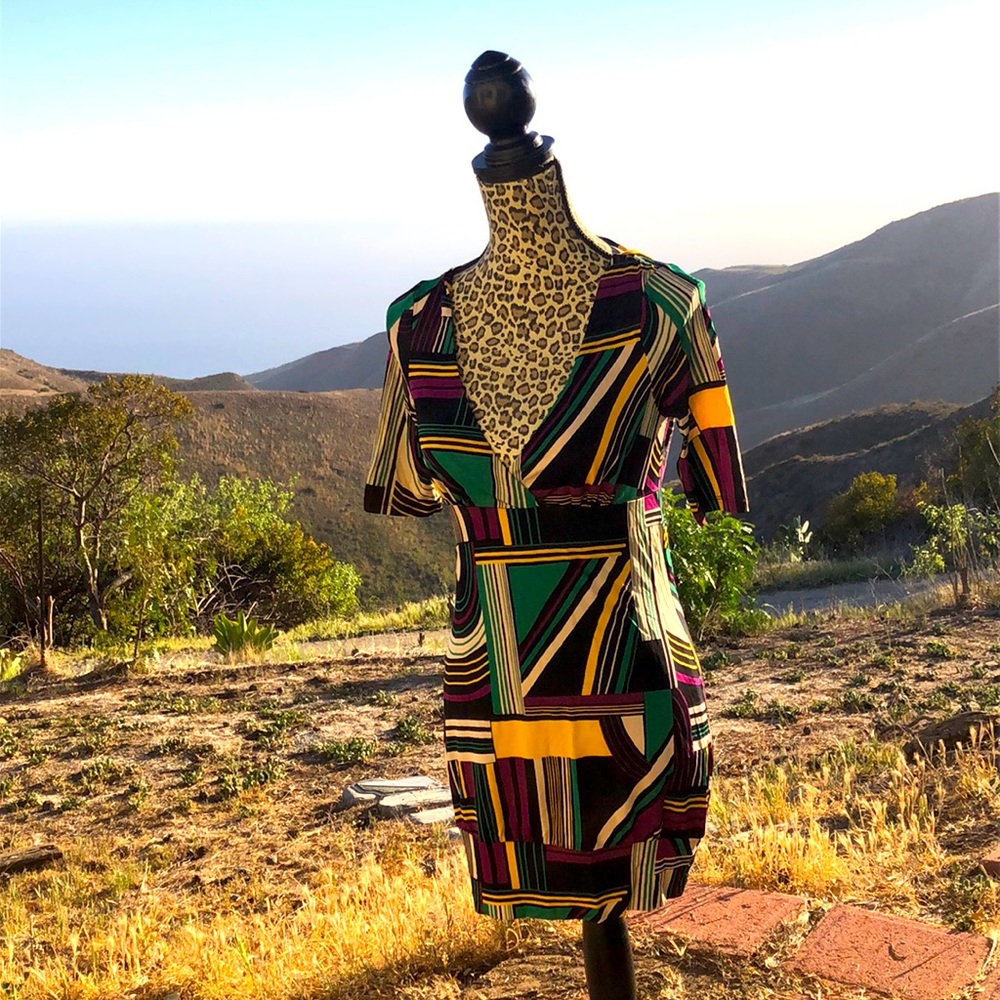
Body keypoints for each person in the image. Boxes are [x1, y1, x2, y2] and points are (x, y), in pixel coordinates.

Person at [364, 51, 748, 1000]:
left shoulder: (665, 303)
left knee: (624, 880)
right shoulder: (415, 326)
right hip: (514, 702)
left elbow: (718, 471)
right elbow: (715, 482)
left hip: (580, 680)